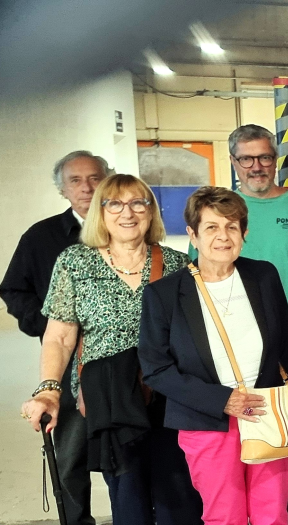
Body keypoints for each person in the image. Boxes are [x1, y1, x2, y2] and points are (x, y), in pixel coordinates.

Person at [20, 174, 201, 525]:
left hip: (169, 393)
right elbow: (59, 336)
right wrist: (49, 391)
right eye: (114, 203)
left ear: (151, 212)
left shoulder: (178, 264)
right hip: (111, 399)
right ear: (100, 213)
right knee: (128, 494)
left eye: (138, 203)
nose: (127, 213)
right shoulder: (75, 263)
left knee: (178, 493)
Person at [189, 124, 288, 523]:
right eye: (247, 158)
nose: (257, 166)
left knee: (285, 466)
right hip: (224, 366)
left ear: (276, 160)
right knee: (226, 482)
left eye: (265, 157)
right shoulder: (214, 213)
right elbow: (194, 282)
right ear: (233, 162)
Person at [138, 187, 288, 525]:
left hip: (264, 410)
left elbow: (285, 347)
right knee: (224, 515)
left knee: (272, 514)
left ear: (244, 233)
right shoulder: (165, 293)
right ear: (193, 235)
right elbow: (155, 369)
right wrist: (222, 399)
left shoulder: (264, 276)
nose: (223, 237)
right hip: (207, 420)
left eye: (232, 227)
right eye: (211, 227)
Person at [2, 150, 110, 525]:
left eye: (94, 178)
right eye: (75, 181)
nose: (86, 187)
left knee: (122, 449)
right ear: (62, 189)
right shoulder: (41, 236)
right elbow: (14, 289)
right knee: (69, 452)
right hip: (64, 363)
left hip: (120, 359)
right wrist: (45, 323)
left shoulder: (124, 227)